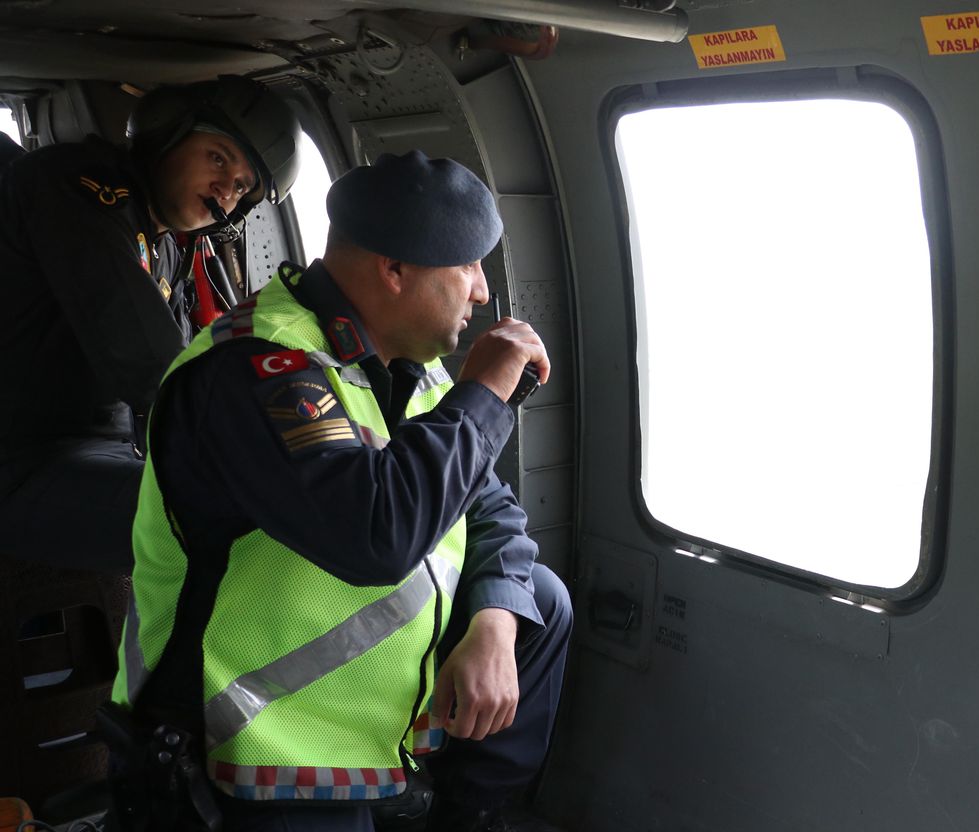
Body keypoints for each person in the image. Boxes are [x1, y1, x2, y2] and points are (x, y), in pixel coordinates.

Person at [105, 151, 572, 832]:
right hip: (246, 759)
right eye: (467, 266)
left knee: (540, 602)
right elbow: (374, 536)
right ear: (394, 271)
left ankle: (463, 813)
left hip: (371, 737)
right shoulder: (259, 368)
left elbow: (492, 509)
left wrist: (495, 623)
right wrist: (487, 391)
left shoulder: (411, 366)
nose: (480, 291)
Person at [0, 76, 301, 572]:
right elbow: (149, 361)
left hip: (97, 450)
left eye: (244, 185)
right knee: (242, 526)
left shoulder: (164, 244)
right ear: (168, 133)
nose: (227, 189)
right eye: (219, 158)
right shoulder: (77, 190)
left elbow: (192, 360)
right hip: (20, 459)